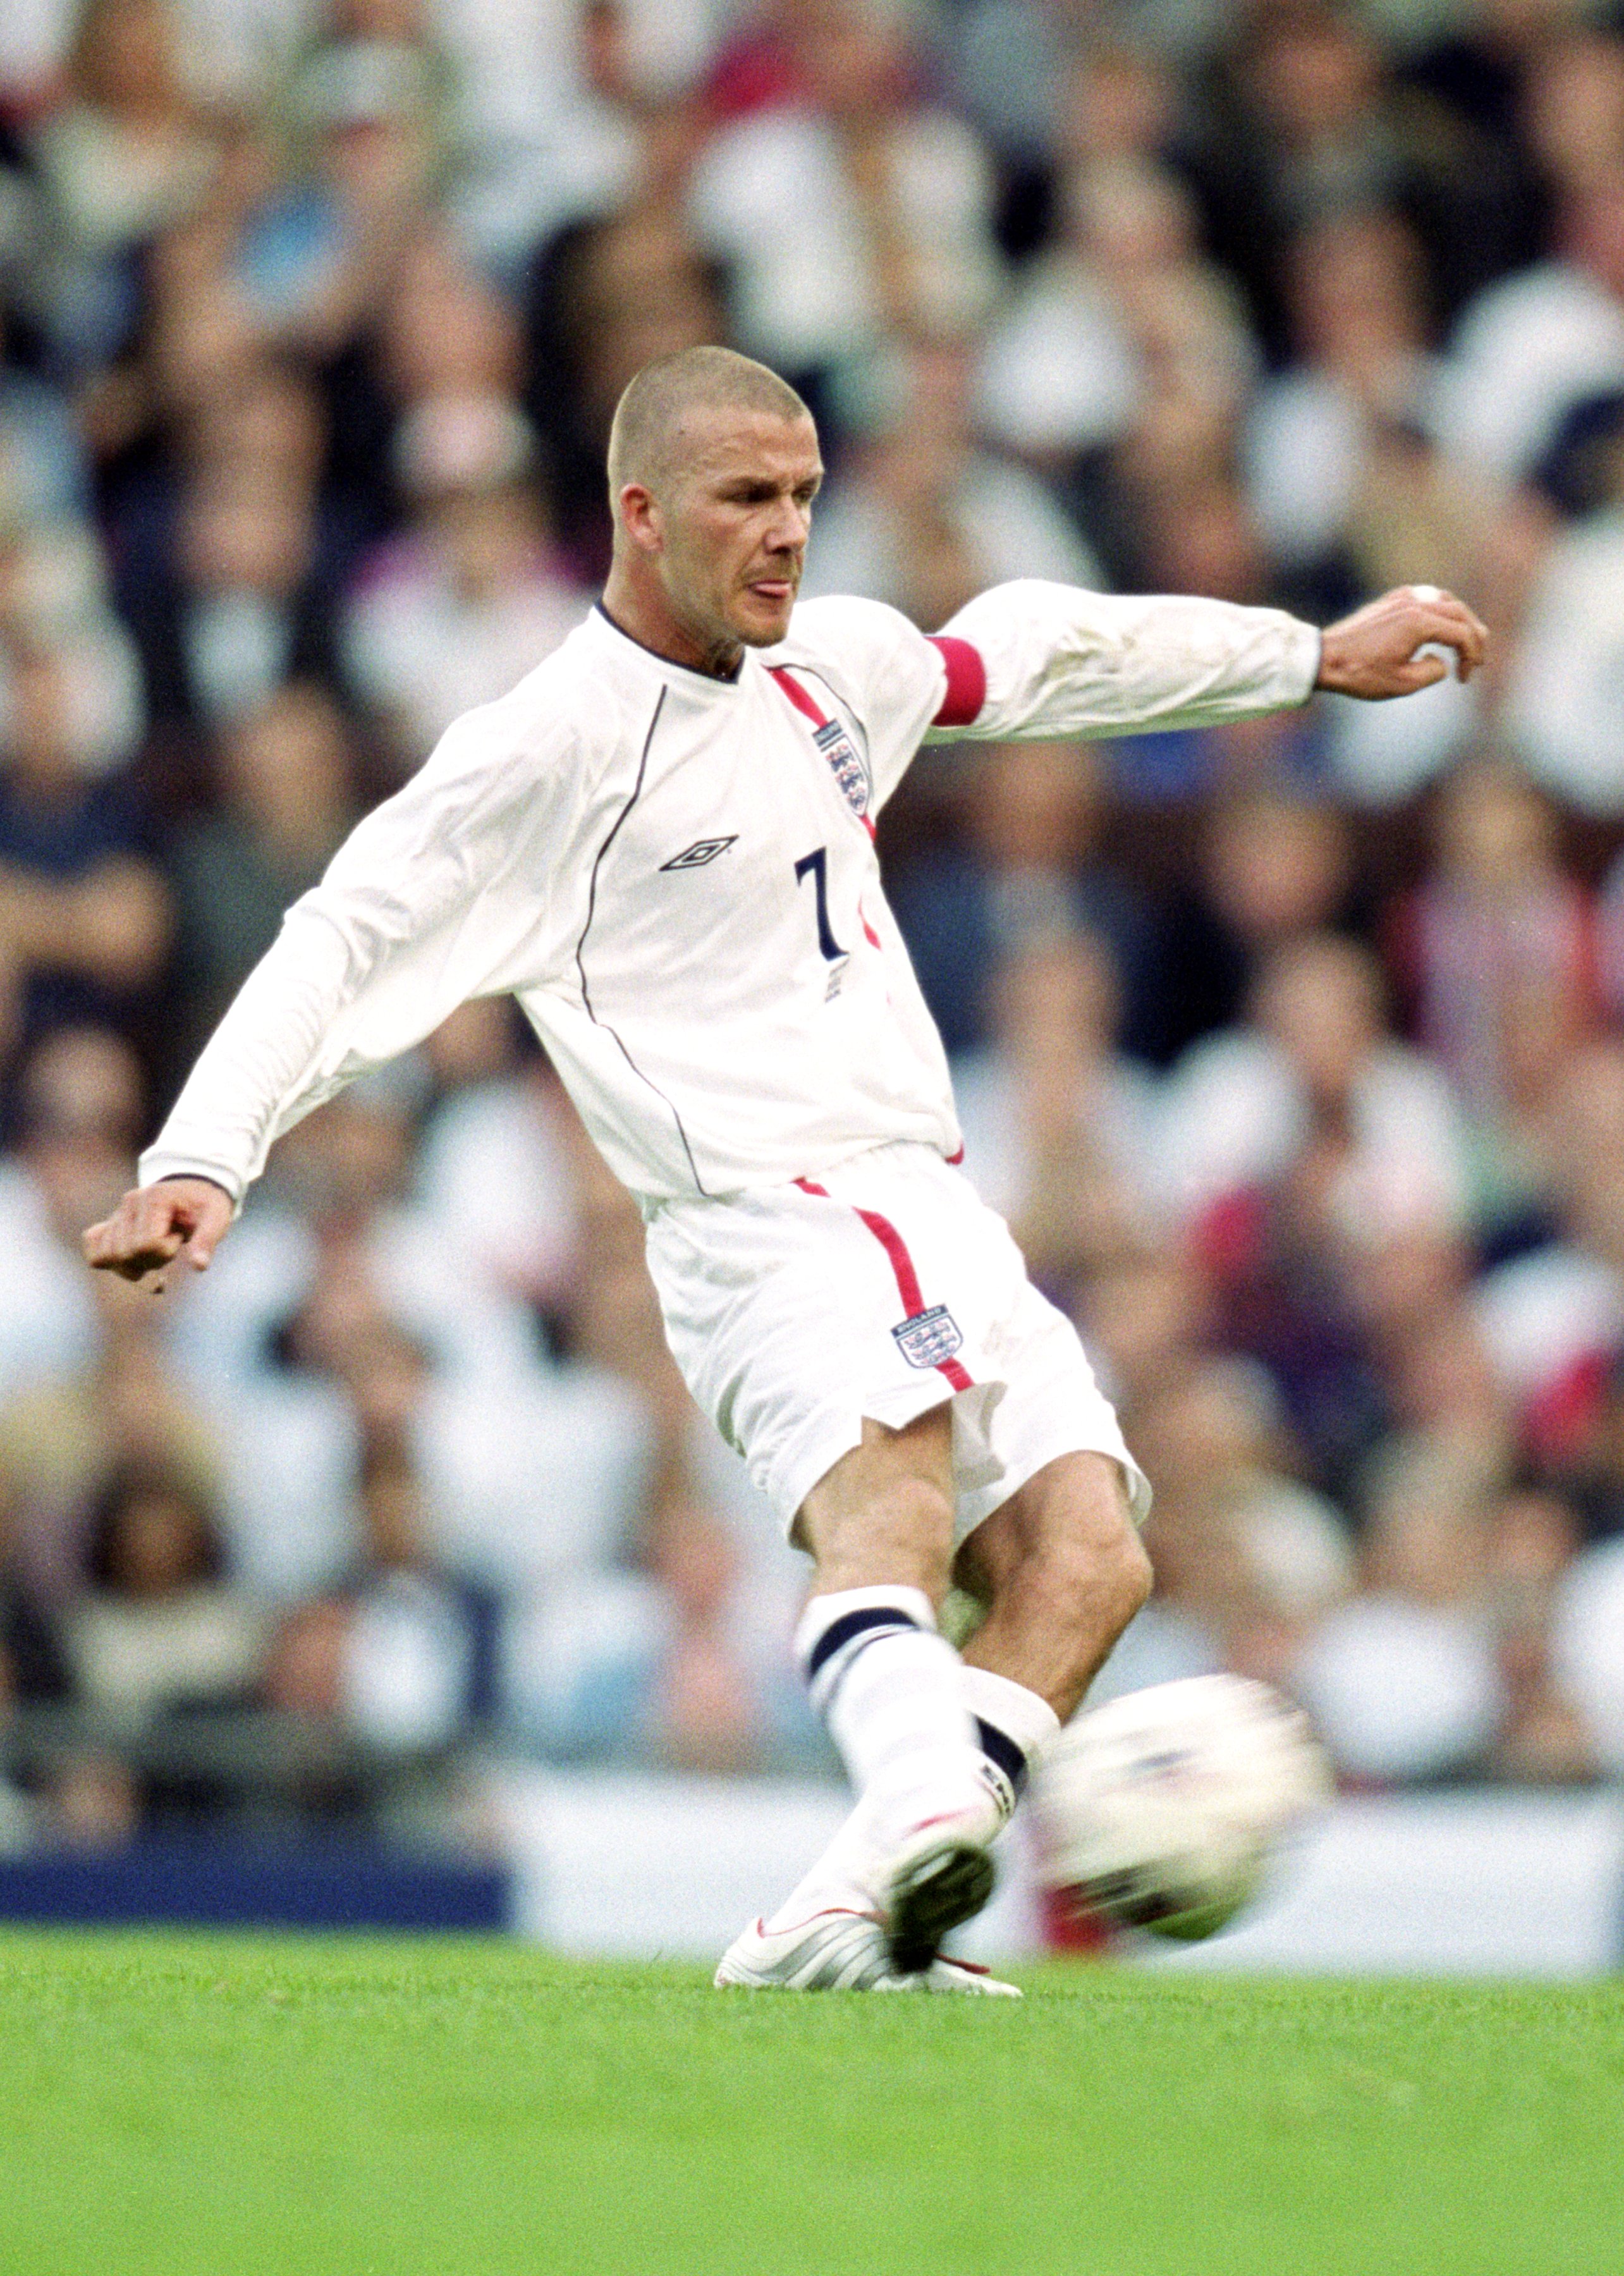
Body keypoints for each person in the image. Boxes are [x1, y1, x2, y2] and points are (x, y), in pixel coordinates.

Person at [82, 343, 1486, 1996]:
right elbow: (343, 941)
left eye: (805, 497)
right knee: (887, 1501)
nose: (786, 533)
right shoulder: (548, 750)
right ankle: (914, 1822)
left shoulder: (833, 669)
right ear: (640, 510)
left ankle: (840, 1922)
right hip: (757, 1216)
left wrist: (1305, 656)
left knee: (1090, 1557)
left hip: (917, 1195)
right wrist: (202, 1153)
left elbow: (1038, 654)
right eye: (747, 497)